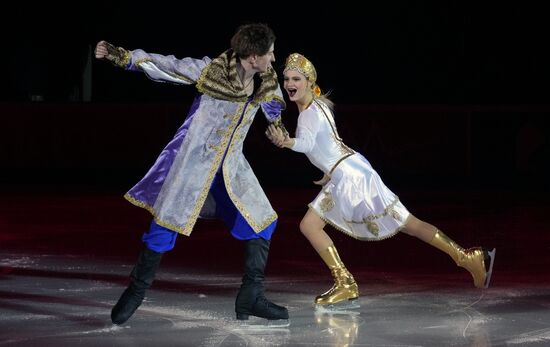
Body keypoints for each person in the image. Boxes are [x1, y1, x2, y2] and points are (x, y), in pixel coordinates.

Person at [266, 53, 496, 310]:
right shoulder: (319, 105)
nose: (288, 83)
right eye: (286, 78)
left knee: (309, 226)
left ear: (309, 82)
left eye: (295, 78)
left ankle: (345, 283)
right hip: (356, 169)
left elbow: (308, 143)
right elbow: (328, 143)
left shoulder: (308, 115)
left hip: (349, 176)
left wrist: (286, 142)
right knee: (409, 223)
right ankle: (469, 257)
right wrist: (328, 171)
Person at [95, 23, 289, 325]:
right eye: (270, 53)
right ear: (253, 56)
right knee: (164, 226)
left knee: (263, 220)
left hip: (232, 170)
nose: (274, 59)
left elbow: (273, 106)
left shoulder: (265, 81)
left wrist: (278, 129)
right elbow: (167, 64)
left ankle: (251, 296)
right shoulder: (210, 72)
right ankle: (136, 291)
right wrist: (123, 56)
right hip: (194, 166)